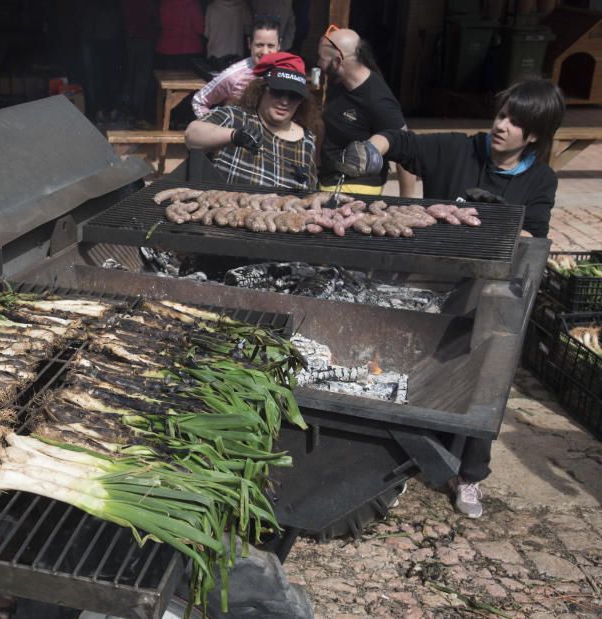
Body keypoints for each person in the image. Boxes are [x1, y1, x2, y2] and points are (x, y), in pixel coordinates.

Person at [338, 78, 566, 517]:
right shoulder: (459, 149)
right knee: (421, 363)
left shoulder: (541, 179)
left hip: (491, 290)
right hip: (433, 284)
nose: (501, 126)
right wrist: (372, 148)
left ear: (534, 134)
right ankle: (405, 450)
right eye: (501, 115)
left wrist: (492, 220)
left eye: (515, 122)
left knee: (486, 376)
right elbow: (401, 141)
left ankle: (471, 476)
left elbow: (532, 234)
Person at [185, 51, 320, 190]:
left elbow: (310, 194)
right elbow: (192, 135)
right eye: (277, 92)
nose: (284, 102)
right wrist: (234, 136)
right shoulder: (235, 117)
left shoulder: (307, 141)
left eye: (294, 96)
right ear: (261, 90)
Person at [316, 27, 417, 196]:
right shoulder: (338, 81)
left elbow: (407, 147)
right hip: (327, 180)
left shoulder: (378, 100)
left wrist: (407, 202)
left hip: (357, 188)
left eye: (322, 59)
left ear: (338, 61)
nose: (318, 63)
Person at [192, 18, 281, 118]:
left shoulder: (285, 71)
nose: (265, 51)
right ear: (249, 43)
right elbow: (199, 101)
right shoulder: (234, 75)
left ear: (279, 45)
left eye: (270, 46)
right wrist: (214, 128)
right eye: (259, 45)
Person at [80, 0, 124, 125]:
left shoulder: (93, 0)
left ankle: (98, 111)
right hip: (114, 43)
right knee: (112, 78)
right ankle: (112, 110)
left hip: (96, 44)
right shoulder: (115, 0)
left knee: (97, 79)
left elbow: (87, 26)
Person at [119, 0, 157, 122]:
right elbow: (152, 15)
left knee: (130, 75)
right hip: (144, 38)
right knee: (142, 76)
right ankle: (137, 110)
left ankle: (127, 108)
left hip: (129, 38)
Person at [155, 0, 204, 70]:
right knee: (187, 85)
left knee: (168, 83)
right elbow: (200, 29)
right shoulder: (194, 3)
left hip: (167, 48)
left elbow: (162, 23)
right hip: (190, 49)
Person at [204, 0, 250, 67]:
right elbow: (248, 30)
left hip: (215, 56)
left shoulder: (212, 7)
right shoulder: (243, 7)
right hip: (236, 55)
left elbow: (206, 34)